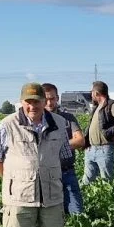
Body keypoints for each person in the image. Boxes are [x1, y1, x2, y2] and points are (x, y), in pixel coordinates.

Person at [0, 83, 68, 227]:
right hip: (20, 198)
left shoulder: (59, 123)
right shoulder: (7, 124)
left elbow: (65, 154)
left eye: (37, 101)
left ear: (44, 101)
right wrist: (13, 182)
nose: (32, 106)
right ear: (21, 102)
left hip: (52, 197)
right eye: (28, 102)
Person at [42, 83, 87, 215]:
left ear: (57, 98)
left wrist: (54, 146)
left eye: (52, 98)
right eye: (46, 99)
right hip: (47, 175)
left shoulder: (68, 118)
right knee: (52, 214)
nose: (49, 103)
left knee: (77, 212)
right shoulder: (37, 120)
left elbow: (80, 140)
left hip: (67, 172)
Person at [85, 80, 114, 183]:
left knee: (106, 182)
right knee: (87, 181)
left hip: (104, 149)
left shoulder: (111, 105)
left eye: (91, 92)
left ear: (96, 93)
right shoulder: (98, 107)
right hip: (91, 149)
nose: (91, 94)